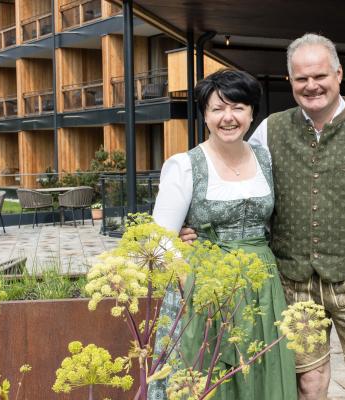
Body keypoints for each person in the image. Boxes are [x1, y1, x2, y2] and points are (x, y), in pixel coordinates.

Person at [183, 33, 345, 400]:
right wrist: (198, 227)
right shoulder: (268, 130)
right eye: (301, 78)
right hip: (292, 283)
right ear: (290, 82)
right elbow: (236, 181)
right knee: (309, 384)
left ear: (338, 74)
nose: (312, 86)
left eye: (319, 76)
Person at [148, 69, 297, 400]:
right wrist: (193, 287)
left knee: (262, 372)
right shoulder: (185, 166)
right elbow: (158, 242)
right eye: (217, 109)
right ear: (205, 115)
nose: (228, 117)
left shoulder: (266, 158)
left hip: (262, 287)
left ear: (252, 113)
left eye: (238, 107)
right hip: (205, 288)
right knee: (208, 376)